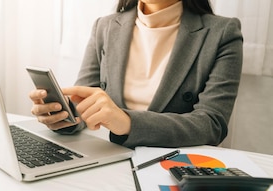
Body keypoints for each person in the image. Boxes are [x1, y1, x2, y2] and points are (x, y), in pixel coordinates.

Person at [29, 0, 243, 148]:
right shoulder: (105, 26)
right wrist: (63, 115)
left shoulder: (222, 32)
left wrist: (128, 122)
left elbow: (212, 124)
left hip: (173, 163)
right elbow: (84, 102)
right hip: (107, 155)